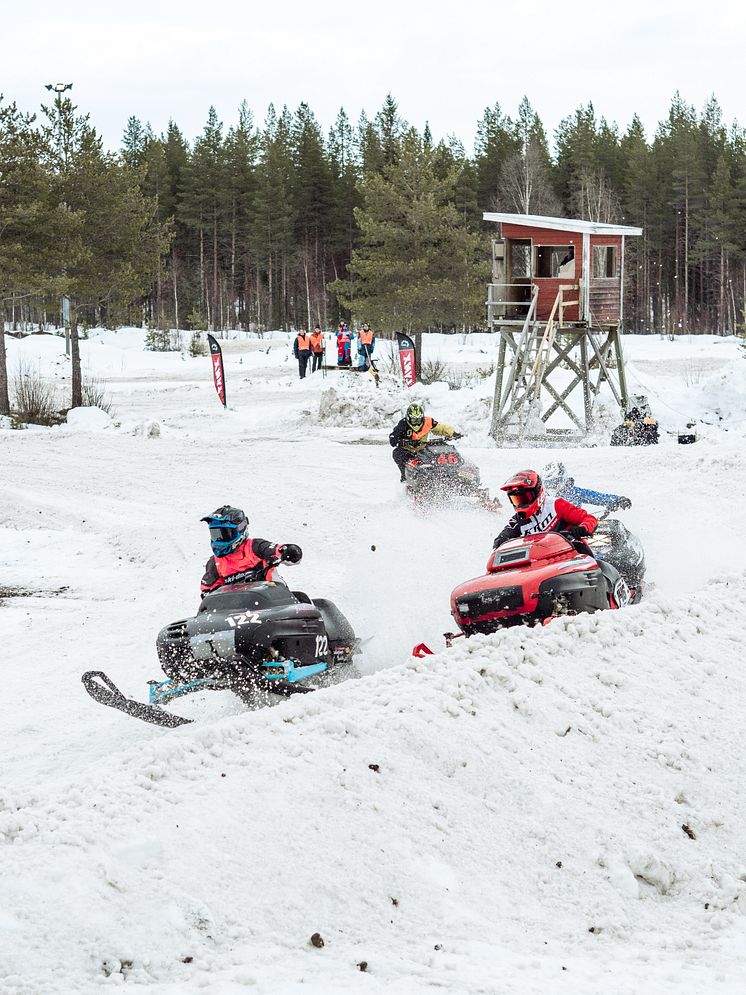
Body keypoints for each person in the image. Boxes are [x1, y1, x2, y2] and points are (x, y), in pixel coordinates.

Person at [200, 506, 303, 595]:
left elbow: (277, 550)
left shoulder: (256, 546)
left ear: (239, 530)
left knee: (301, 597)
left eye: (224, 534)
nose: (219, 540)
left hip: (274, 602)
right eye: (216, 535)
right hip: (236, 609)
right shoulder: (215, 562)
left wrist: (290, 551)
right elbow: (208, 593)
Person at [493, 470, 598, 548]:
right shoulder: (517, 520)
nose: (521, 504)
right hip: (540, 562)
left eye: (525, 498)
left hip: (569, 551)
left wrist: (583, 528)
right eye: (517, 500)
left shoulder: (556, 505)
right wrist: (500, 540)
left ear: (537, 492)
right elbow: (504, 535)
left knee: (583, 550)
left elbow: (589, 519)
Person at [389, 402, 462, 483]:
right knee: (397, 453)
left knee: (443, 448)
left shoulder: (428, 421)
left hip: (423, 448)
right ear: (408, 418)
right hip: (408, 451)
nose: (417, 422)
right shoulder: (403, 424)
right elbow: (393, 439)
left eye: (419, 419)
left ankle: (455, 470)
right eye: (414, 420)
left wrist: (453, 433)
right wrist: (408, 442)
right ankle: (405, 477)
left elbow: (441, 428)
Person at [542, 461, 632, 511]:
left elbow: (595, 496)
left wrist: (617, 500)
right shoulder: (540, 496)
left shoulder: (574, 492)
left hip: (571, 531)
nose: (552, 486)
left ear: (563, 478)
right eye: (548, 483)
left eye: (554, 482)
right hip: (547, 535)